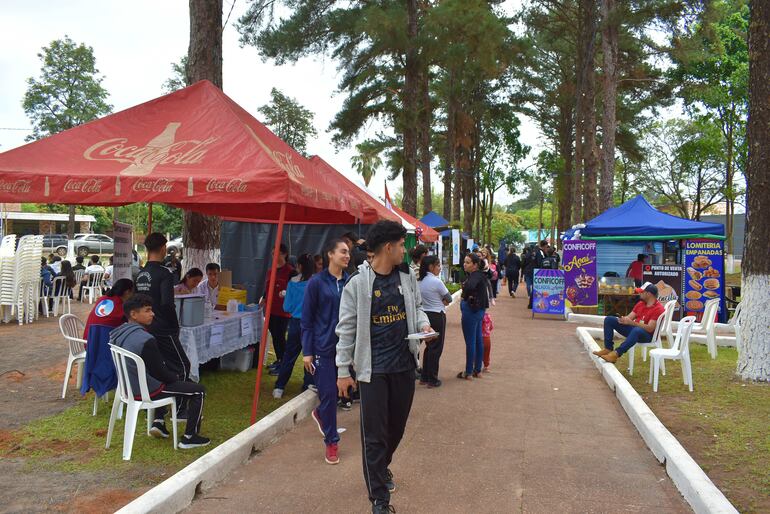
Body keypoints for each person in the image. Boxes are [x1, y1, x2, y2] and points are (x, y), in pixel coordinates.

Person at [336, 220, 433, 513]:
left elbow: (416, 308)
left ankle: (380, 467)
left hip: (404, 366)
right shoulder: (358, 283)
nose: (405, 250)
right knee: (374, 436)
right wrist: (343, 370)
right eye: (402, 245)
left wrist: (424, 324)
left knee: (397, 429)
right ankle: (379, 500)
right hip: (373, 370)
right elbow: (347, 329)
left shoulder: (407, 277)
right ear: (388, 247)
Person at [110, 294, 210, 449]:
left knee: (170, 380)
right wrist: (176, 377)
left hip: (127, 387)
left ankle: (159, 422)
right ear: (134, 314)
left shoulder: (119, 333)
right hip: (145, 391)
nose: (153, 314)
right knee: (198, 391)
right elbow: (162, 375)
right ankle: (190, 437)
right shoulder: (146, 339)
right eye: (148, 310)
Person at [302, 238, 350, 465]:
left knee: (341, 395)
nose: (347, 255)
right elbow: (307, 319)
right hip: (323, 347)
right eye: (343, 251)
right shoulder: (316, 283)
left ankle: (322, 415)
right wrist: (307, 351)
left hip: (347, 347)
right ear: (330, 254)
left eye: (348, 252)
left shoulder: (350, 282)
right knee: (329, 394)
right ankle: (332, 441)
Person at [135, 233, 191, 382]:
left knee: (158, 366)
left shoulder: (141, 274)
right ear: (163, 248)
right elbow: (167, 303)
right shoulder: (165, 273)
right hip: (163, 328)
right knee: (182, 366)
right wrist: (174, 325)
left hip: (146, 327)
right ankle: (180, 401)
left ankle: (162, 401)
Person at [80, 278, 134, 399]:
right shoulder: (121, 306)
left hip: (91, 343)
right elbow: (131, 323)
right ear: (127, 292)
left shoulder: (102, 299)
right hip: (106, 347)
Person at [273, 254, 315, 399]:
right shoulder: (316, 282)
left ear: (299, 266)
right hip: (312, 324)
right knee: (311, 356)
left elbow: (286, 307)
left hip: (296, 323)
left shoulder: (292, 282)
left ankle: (279, 387)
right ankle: (308, 385)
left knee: (289, 356)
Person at [594, 282, 665, 364]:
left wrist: (631, 323)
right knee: (609, 319)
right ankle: (608, 348)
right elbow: (630, 317)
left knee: (637, 330)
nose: (639, 293)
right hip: (635, 330)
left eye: (641, 292)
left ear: (648, 294)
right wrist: (624, 320)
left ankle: (616, 354)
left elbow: (650, 328)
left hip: (647, 336)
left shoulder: (658, 308)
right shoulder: (640, 304)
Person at [418, 255, 452, 388]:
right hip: (437, 315)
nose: (439, 268)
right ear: (431, 267)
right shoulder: (437, 282)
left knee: (429, 347)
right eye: (438, 265)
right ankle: (432, 379)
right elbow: (448, 299)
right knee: (436, 348)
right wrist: (440, 301)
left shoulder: (420, 281)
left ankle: (425, 377)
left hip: (424, 316)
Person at [259, 244, 294, 373]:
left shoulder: (291, 271)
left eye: (277, 253)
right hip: (270, 308)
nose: (274, 256)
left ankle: (284, 364)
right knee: (274, 335)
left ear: (284, 254)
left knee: (280, 336)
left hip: (283, 310)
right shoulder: (270, 271)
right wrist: (263, 298)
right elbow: (268, 288)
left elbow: (293, 289)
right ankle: (279, 360)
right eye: (273, 253)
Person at [457, 252, 490, 380]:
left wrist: (464, 295)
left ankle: (469, 371)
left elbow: (470, 286)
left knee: (471, 342)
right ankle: (477, 370)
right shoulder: (479, 275)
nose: (465, 265)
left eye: (468, 262)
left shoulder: (475, 276)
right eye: (464, 262)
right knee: (478, 340)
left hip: (471, 310)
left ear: (475, 265)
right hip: (478, 310)